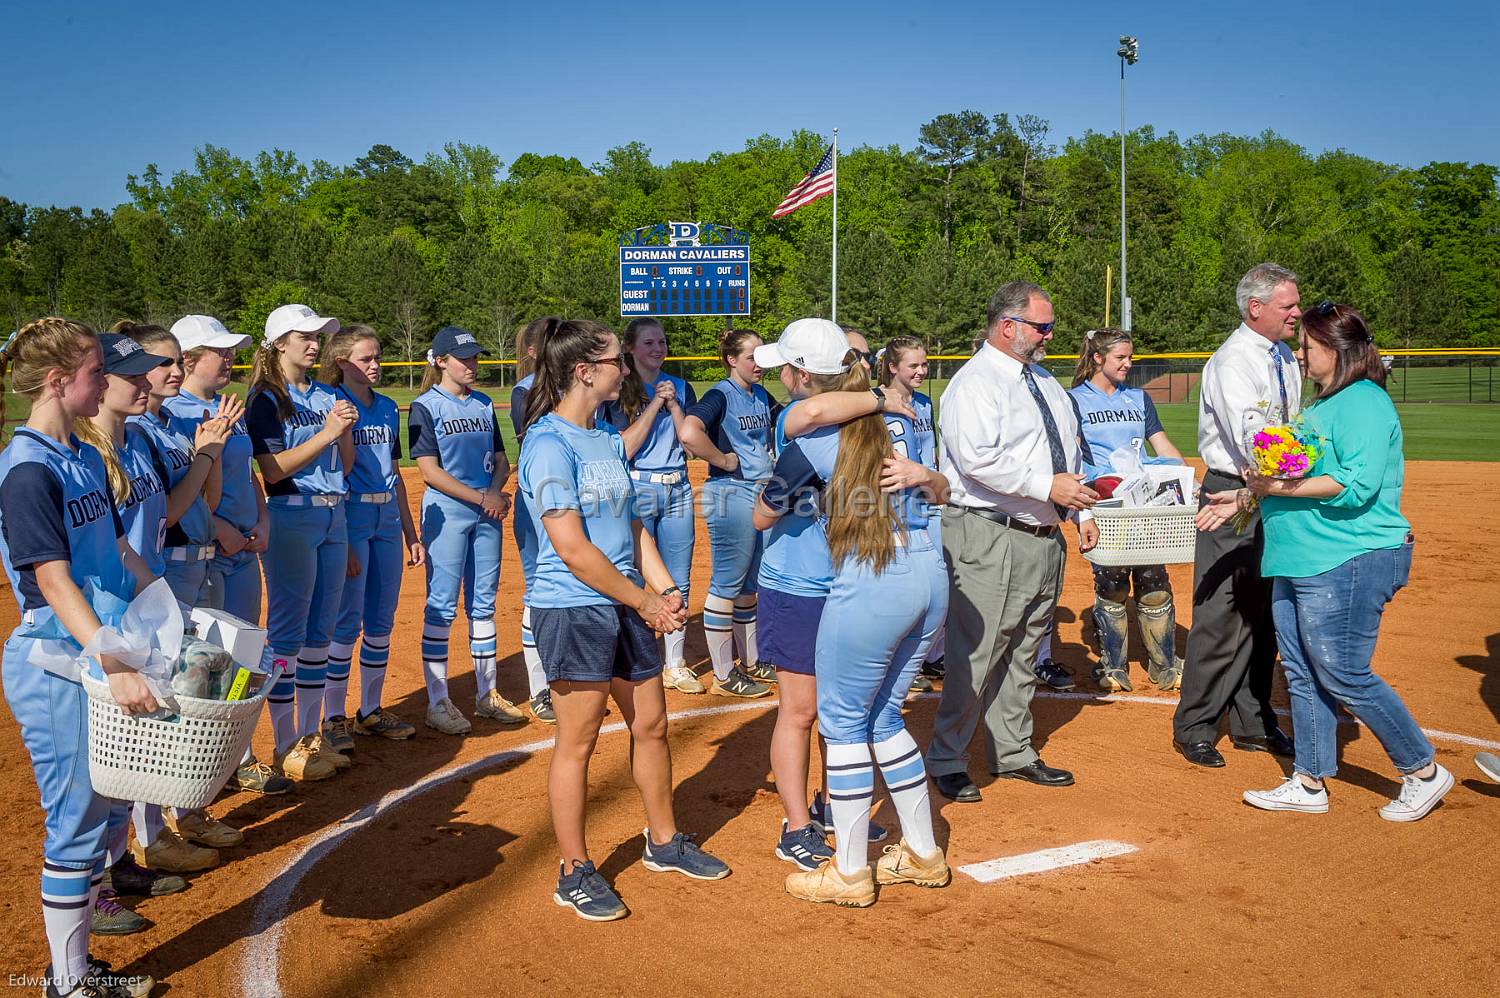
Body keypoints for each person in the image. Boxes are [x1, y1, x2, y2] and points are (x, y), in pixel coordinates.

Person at [1201, 302, 1453, 820]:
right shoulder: (1321, 405)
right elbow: (1306, 479)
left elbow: (1354, 486)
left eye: (1308, 347)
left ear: (1335, 351)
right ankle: (1310, 781)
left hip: (1348, 556)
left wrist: (1275, 485)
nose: (1300, 353)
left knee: (1342, 672)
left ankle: (1422, 769)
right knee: (1301, 671)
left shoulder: (1362, 402)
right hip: (1302, 556)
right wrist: (1248, 499)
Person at [518, 319, 729, 921]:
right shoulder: (547, 444)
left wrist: (665, 585)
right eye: (613, 360)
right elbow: (573, 549)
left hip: (629, 601)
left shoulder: (607, 438)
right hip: (574, 607)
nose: (623, 368)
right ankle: (573, 869)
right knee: (578, 742)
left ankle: (663, 841)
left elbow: (631, 526)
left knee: (654, 725)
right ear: (585, 371)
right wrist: (643, 600)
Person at [752, 323, 951, 906]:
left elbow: (765, 513)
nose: (778, 378)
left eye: (784, 369)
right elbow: (939, 489)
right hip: (928, 576)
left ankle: (848, 870)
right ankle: (922, 852)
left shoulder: (814, 436)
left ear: (804, 376)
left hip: (870, 583)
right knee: (885, 718)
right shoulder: (902, 421)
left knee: (840, 726)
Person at [0, 317, 163, 997]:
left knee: (98, 811)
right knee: (73, 822)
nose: (108, 381)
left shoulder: (85, 456)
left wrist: (165, 601)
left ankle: (77, 968)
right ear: (57, 380)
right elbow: (53, 580)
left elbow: (117, 551)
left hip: (93, 652)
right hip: (56, 662)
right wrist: (113, 660)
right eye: (97, 370)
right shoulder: (28, 467)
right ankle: (68, 983)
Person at [927, 281, 1099, 804]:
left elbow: (1065, 450)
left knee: (1024, 648)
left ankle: (1014, 750)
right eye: (1041, 327)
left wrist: (1078, 507)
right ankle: (947, 757)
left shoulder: (1044, 381)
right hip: (987, 533)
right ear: (1008, 326)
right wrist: (1046, 487)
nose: (1050, 336)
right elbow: (977, 458)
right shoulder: (974, 382)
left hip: (1042, 533)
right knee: (977, 651)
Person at [72, 334, 195, 935]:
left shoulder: (135, 441)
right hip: (107, 619)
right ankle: (91, 886)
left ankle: (119, 863)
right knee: (101, 762)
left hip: (141, 608)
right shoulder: (89, 455)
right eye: (134, 375)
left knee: (130, 752)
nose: (147, 383)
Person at [117, 323, 245, 868]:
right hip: (165, 570)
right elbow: (169, 512)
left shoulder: (168, 424)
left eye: (176, 362)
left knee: (201, 688)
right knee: (167, 698)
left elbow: (207, 500)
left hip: (201, 561)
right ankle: (152, 833)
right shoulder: (140, 432)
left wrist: (209, 451)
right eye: (163, 363)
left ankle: (186, 811)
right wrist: (203, 456)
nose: (172, 372)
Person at [1172, 264, 1300, 768]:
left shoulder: (1283, 355)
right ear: (1256, 307)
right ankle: (1196, 725)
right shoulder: (1232, 362)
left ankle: (1252, 719)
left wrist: (1290, 478)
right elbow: (1259, 442)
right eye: (1287, 305)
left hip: (1277, 491)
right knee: (1221, 614)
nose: (1296, 313)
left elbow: (1290, 426)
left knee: (1265, 612)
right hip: (1235, 490)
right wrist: (1296, 468)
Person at [164, 314, 287, 796]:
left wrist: (262, 521)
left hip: (243, 546)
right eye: (219, 351)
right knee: (203, 662)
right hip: (206, 553)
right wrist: (221, 530)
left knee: (244, 655)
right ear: (189, 359)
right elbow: (176, 492)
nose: (230, 357)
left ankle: (239, 754)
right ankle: (204, 757)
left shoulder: (226, 407)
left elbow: (250, 476)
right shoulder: (171, 413)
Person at [247, 303, 355, 783]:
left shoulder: (328, 392)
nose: (315, 344)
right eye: (304, 336)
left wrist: (343, 431)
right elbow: (271, 471)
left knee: (321, 633)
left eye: (318, 336)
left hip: (335, 512)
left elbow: (344, 463)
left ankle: (310, 738)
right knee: (288, 634)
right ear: (279, 344)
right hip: (291, 515)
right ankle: (285, 743)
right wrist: (329, 430)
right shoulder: (265, 399)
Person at [409, 325, 521, 734]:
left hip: (484, 513)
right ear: (441, 362)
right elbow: (429, 471)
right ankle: (438, 701)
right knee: (441, 605)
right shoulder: (426, 406)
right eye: (465, 358)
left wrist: (493, 491)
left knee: (483, 605)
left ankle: (486, 694)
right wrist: (483, 498)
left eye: (476, 357)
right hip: (448, 513)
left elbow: (501, 459)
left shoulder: (484, 404)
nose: (473, 364)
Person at [320, 326, 424, 747]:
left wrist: (410, 532)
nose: (376, 365)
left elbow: (395, 473)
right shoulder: (334, 407)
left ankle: (370, 709)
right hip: (352, 511)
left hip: (385, 516)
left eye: (378, 357)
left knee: (381, 618)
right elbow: (332, 473)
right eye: (366, 359)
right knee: (347, 620)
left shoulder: (385, 407)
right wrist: (341, 537)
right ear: (342, 362)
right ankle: (333, 716)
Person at [1068, 327, 1187, 692]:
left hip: (1144, 500)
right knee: (1113, 584)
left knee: (1154, 583)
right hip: (1106, 503)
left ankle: (1164, 665)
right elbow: (1071, 453)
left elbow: (1161, 444)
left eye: (1130, 357)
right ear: (1098, 358)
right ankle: (1113, 666)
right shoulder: (1073, 401)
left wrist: (1185, 477)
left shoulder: (1138, 398)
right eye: (1121, 357)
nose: (1129, 364)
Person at [598, 318, 700, 694]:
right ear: (630, 348)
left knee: (678, 576)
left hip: (678, 486)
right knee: (638, 575)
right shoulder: (619, 389)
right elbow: (624, 448)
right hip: (639, 485)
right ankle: (641, 659)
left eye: (662, 341)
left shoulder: (680, 385)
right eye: (649, 342)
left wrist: (674, 404)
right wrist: (656, 401)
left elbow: (689, 444)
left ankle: (674, 663)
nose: (658, 348)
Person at [680, 330, 778, 698]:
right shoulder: (721, 394)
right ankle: (723, 674)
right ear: (731, 360)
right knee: (727, 583)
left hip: (759, 493)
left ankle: (752, 662)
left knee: (749, 585)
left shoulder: (759, 395)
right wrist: (721, 460)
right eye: (751, 357)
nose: (759, 364)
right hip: (731, 493)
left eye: (762, 357)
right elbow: (690, 432)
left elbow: (786, 424)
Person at [877, 335, 952, 694]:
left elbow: (930, 452)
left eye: (924, 364)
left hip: (929, 501)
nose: (922, 371)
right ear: (893, 367)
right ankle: (899, 659)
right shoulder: (876, 402)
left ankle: (929, 657)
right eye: (914, 365)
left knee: (936, 585)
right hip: (892, 509)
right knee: (901, 590)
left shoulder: (924, 403)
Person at [510, 316, 560, 722]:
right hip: (536, 504)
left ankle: (566, 676)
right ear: (533, 352)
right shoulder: (523, 392)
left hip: (572, 502)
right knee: (539, 588)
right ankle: (538, 687)